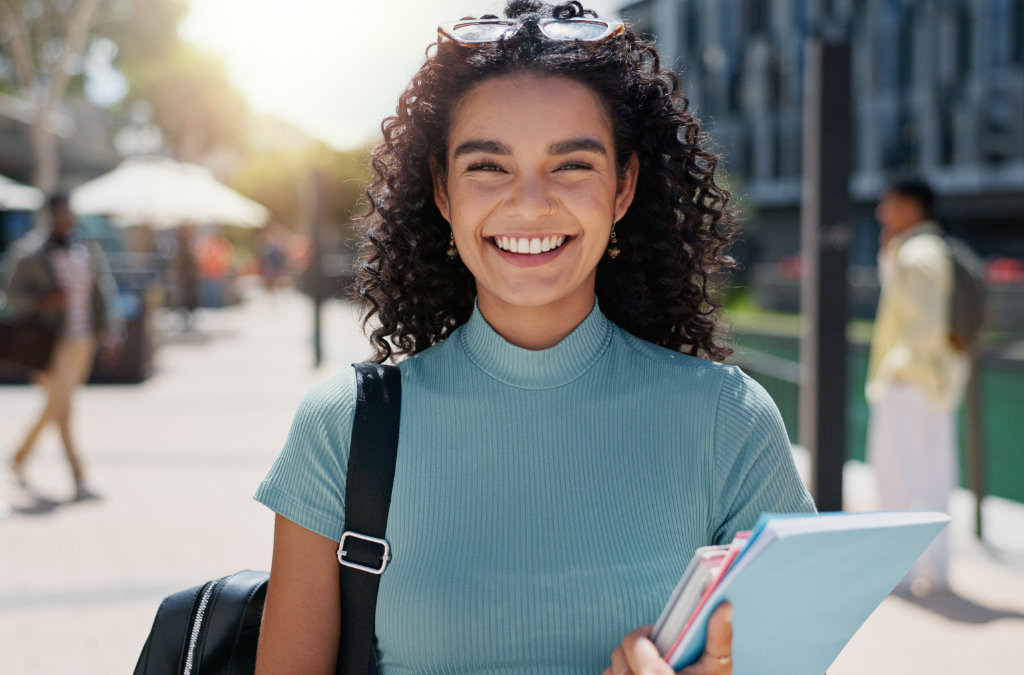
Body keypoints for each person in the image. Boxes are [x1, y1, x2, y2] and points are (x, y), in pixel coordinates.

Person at [253, 2, 815, 673]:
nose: (529, 203)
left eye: (572, 165)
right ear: (442, 190)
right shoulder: (342, 427)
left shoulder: (732, 421)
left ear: (623, 187)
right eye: (488, 166)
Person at [866, 177, 970, 596]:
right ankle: (936, 571)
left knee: (896, 477)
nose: (881, 212)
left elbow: (924, 322)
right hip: (934, 382)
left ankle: (901, 573)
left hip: (910, 381)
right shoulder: (932, 249)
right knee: (934, 478)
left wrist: (899, 368)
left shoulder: (916, 254)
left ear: (909, 207)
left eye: (888, 203)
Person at [4, 193, 119, 500]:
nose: (67, 219)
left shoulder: (85, 249)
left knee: (56, 405)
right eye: (61, 214)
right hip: (50, 342)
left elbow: (101, 292)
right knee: (64, 408)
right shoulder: (31, 253)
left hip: (83, 340)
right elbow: (13, 295)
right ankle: (79, 476)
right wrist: (44, 301)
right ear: (51, 217)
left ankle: (18, 457)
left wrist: (108, 331)